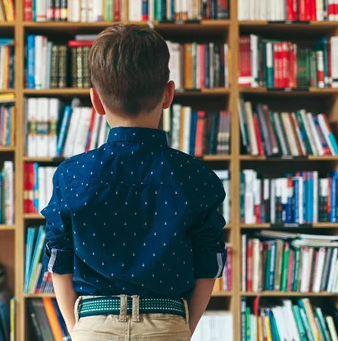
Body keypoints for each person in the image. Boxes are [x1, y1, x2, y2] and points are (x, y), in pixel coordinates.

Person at [42, 24, 227, 340]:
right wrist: (183, 328)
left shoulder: (71, 176)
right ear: (168, 94)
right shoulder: (198, 179)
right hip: (167, 323)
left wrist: (79, 329)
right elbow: (208, 264)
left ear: (96, 102)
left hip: (94, 323)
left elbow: (59, 259)